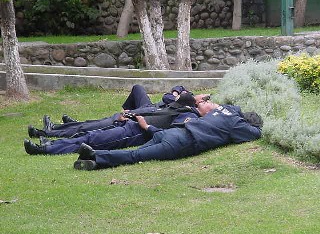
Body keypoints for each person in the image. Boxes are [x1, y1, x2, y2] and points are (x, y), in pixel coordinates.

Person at [72, 100, 263, 171]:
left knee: (137, 153)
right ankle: (95, 153)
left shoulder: (224, 110)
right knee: (135, 156)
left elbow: (232, 107)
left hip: (171, 133)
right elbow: (256, 134)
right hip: (180, 143)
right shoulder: (236, 124)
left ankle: (93, 162)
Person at [24, 93, 203, 155]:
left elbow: (170, 134)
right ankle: (50, 143)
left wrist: (145, 126)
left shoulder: (188, 116)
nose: (204, 100)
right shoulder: (178, 107)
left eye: (205, 101)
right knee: (87, 135)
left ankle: (45, 149)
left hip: (134, 133)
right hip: (128, 125)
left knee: (91, 139)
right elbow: (166, 100)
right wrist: (132, 115)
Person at [27, 84, 192, 138]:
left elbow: (167, 98)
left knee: (100, 125)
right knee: (138, 89)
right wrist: (177, 92)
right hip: (149, 108)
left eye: (205, 99)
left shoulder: (192, 108)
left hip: (145, 116)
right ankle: (70, 126)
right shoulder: (191, 99)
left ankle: (50, 131)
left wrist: (176, 96)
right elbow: (170, 94)